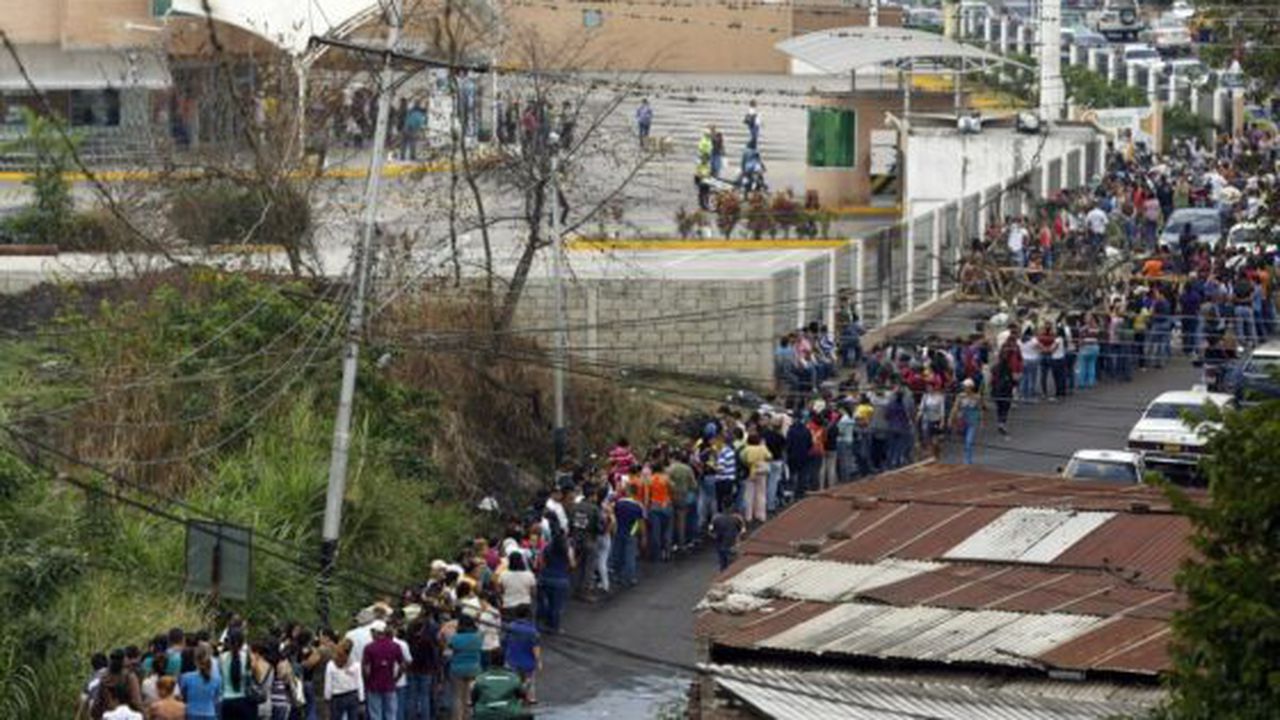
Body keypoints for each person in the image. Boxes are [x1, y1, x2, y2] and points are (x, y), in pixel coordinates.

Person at [363, 620, 405, 720]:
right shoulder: (395, 646)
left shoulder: (369, 648)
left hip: (373, 685)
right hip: (389, 685)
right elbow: (403, 665)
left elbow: (366, 668)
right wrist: (396, 678)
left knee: (375, 715)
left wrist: (367, 681)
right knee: (391, 714)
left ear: (376, 632)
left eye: (372, 632)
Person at [501, 606, 541, 706]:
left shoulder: (510, 627)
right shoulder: (532, 630)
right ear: (528, 615)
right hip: (528, 661)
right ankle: (529, 697)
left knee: (514, 680)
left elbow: (504, 642)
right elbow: (535, 647)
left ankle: (516, 698)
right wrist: (538, 661)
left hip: (512, 660)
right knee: (529, 680)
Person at [448, 616, 484, 720]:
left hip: (457, 668)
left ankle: (458, 718)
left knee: (458, 696)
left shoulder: (456, 638)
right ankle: (468, 717)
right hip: (474, 668)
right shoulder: (478, 637)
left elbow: (449, 646)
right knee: (470, 697)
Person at [178, 645, 221, 720]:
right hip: (210, 714)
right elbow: (216, 699)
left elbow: (182, 697)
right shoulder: (217, 679)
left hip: (191, 713)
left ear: (195, 660)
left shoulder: (186, 677)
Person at [325, 639, 364, 720]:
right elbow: (359, 682)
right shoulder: (356, 665)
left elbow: (328, 684)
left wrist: (327, 698)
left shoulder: (331, 664)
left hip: (337, 697)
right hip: (352, 695)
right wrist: (361, 699)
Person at [950, 379, 983, 464]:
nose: (965, 388)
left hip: (972, 420)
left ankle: (968, 460)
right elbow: (955, 407)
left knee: (969, 441)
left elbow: (980, 409)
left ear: (971, 388)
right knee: (964, 439)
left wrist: (981, 420)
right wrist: (951, 418)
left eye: (966, 387)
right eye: (964, 387)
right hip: (962, 420)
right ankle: (966, 454)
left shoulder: (977, 397)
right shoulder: (960, 396)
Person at [740, 433, 771, 524]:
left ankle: (748, 516)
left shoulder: (746, 449)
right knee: (761, 494)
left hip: (750, 472)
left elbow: (742, 458)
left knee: (749, 495)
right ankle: (761, 515)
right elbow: (769, 456)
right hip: (761, 472)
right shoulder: (762, 448)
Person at [710, 507, 746, 571]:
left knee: (722, 558)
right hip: (732, 542)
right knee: (732, 559)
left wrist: (715, 537)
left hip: (720, 541)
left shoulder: (716, 518)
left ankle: (723, 569)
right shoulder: (738, 518)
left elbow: (711, 531)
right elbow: (742, 531)